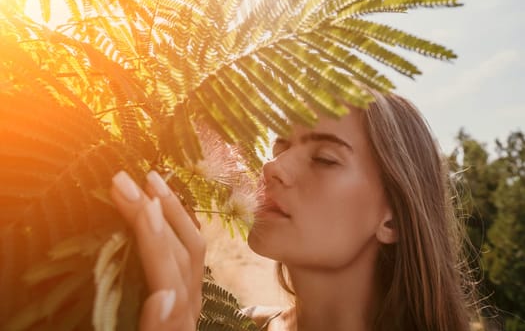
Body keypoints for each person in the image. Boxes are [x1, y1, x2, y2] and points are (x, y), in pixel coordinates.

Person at [110, 92, 480, 330]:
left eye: (324, 159)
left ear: (394, 218)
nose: (273, 167)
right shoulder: (227, 326)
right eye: (279, 148)